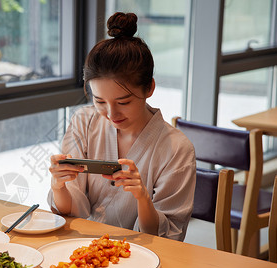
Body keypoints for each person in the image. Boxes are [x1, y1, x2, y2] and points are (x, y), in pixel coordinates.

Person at [47, 12, 196, 241]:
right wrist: (59, 186)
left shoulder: (177, 149)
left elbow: (168, 238)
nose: (111, 114)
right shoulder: (84, 122)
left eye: (123, 102)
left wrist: (143, 198)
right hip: (81, 248)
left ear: (149, 88)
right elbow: (69, 214)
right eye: (99, 101)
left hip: (141, 257)